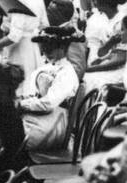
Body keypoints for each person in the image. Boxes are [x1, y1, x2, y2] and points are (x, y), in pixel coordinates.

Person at [18, 27, 82, 160]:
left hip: (55, 123)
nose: (46, 52)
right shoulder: (44, 69)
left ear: (63, 48)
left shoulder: (67, 73)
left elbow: (48, 104)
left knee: (12, 135)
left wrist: (21, 105)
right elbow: (31, 95)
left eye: (51, 47)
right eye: (44, 47)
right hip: (41, 117)